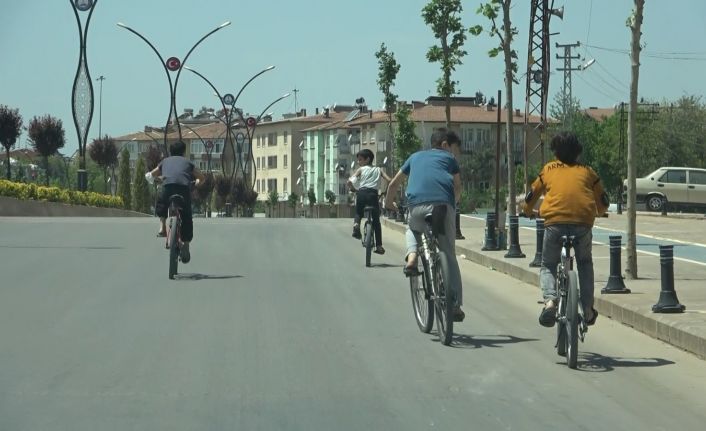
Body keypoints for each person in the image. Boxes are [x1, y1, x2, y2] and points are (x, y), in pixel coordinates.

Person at [522, 131, 609, 328]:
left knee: (548, 265)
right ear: (578, 152)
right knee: (585, 263)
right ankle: (587, 309)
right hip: (583, 223)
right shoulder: (588, 172)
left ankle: (550, 301)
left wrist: (527, 211)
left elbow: (532, 195)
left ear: (556, 152)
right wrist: (600, 211)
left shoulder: (548, 169)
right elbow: (603, 200)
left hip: (554, 223)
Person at [384, 128, 465, 322]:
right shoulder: (450, 160)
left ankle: (412, 257)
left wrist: (388, 203)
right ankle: (454, 305)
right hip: (442, 207)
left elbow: (393, 184)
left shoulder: (414, 157)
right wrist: (452, 204)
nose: (455, 154)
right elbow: (458, 187)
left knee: (413, 228)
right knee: (448, 254)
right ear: (445, 145)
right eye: (454, 149)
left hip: (417, 206)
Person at [147, 141, 205, 263]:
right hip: (184, 189)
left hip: (168, 187)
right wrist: (198, 184)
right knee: (187, 216)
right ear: (183, 152)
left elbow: (150, 175)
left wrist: (155, 179)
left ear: (170, 151)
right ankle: (186, 244)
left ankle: (162, 227)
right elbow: (201, 177)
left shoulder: (165, 161)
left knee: (162, 202)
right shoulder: (188, 162)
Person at [347, 149, 391, 254]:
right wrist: (386, 191)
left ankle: (356, 224)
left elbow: (350, 181)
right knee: (376, 221)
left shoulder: (361, 170)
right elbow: (389, 180)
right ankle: (379, 246)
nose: (358, 162)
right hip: (373, 195)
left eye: (360, 160)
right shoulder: (378, 170)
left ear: (368, 159)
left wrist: (353, 188)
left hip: (361, 193)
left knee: (358, 212)